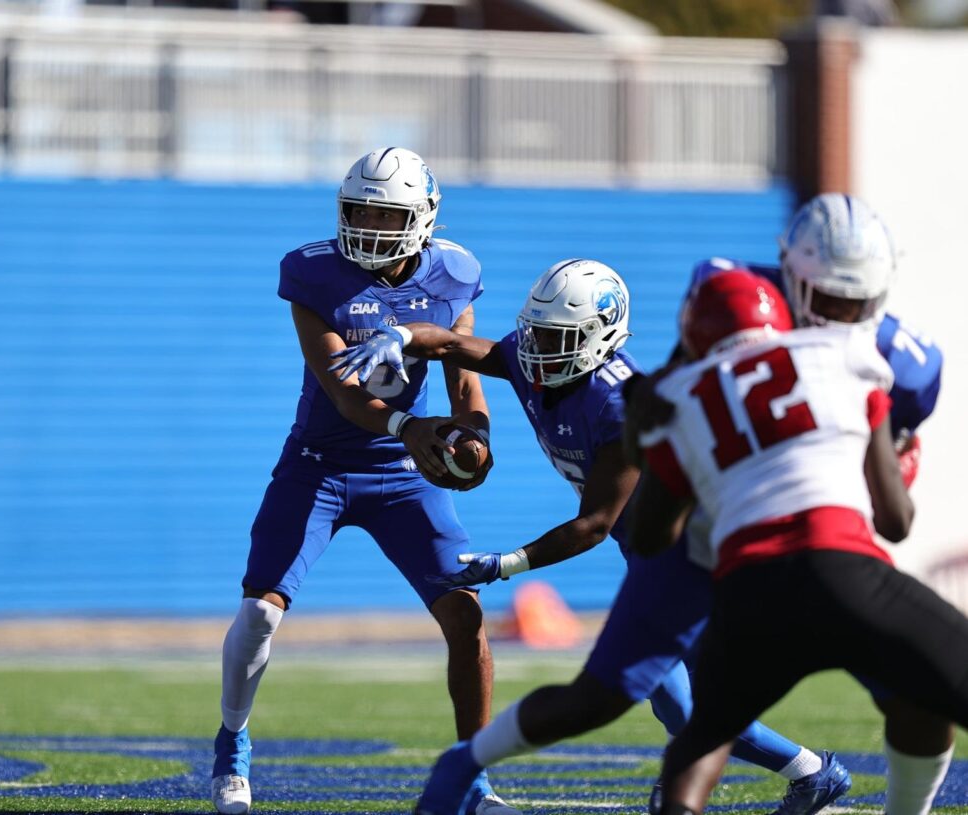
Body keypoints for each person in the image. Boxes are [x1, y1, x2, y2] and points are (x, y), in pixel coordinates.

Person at [330, 258, 848, 815]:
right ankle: (806, 772)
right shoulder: (542, 364)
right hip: (655, 552)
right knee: (680, 701)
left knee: (670, 698)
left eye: (557, 337)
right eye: (537, 332)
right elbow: (457, 347)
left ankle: (798, 772)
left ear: (599, 336)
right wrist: (402, 335)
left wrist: (506, 564)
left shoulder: (620, 404)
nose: (539, 348)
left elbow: (594, 524)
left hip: (700, 554)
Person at [210, 147, 518, 815]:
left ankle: (473, 779)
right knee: (260, 612)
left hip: (405, 475)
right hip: (319, 465)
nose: (372, 226)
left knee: (465, 616)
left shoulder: (454, 273)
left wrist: (476, 435)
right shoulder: (313, 274)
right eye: (361, 211)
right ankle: (231, 744)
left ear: (423, 219)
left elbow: (466, 378)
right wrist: (413, 427)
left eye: (388, 213)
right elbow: (345, 392)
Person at [625, 192, 949, 815]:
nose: (842, 313)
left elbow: (889, 492)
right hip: (737, 536)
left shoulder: (899, 366)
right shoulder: (742, 301)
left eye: (859, 300)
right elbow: (674, 394)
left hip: (801, 549)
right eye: (827, 296)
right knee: (679, 699)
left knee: (907, 692)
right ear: (793, 277)